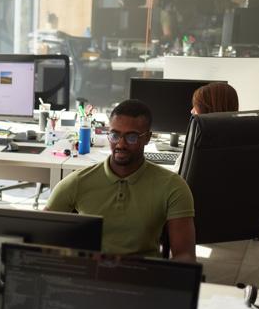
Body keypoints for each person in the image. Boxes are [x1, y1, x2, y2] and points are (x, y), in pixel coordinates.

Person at [45, 99, 197, 262]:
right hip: (90, 273)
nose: (121, 144)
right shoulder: (78, 181)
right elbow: (40, 235)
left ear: (147, 138)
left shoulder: (173, 186)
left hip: (143, 275)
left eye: (131, 137)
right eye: (115, 135)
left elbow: (184, 255)